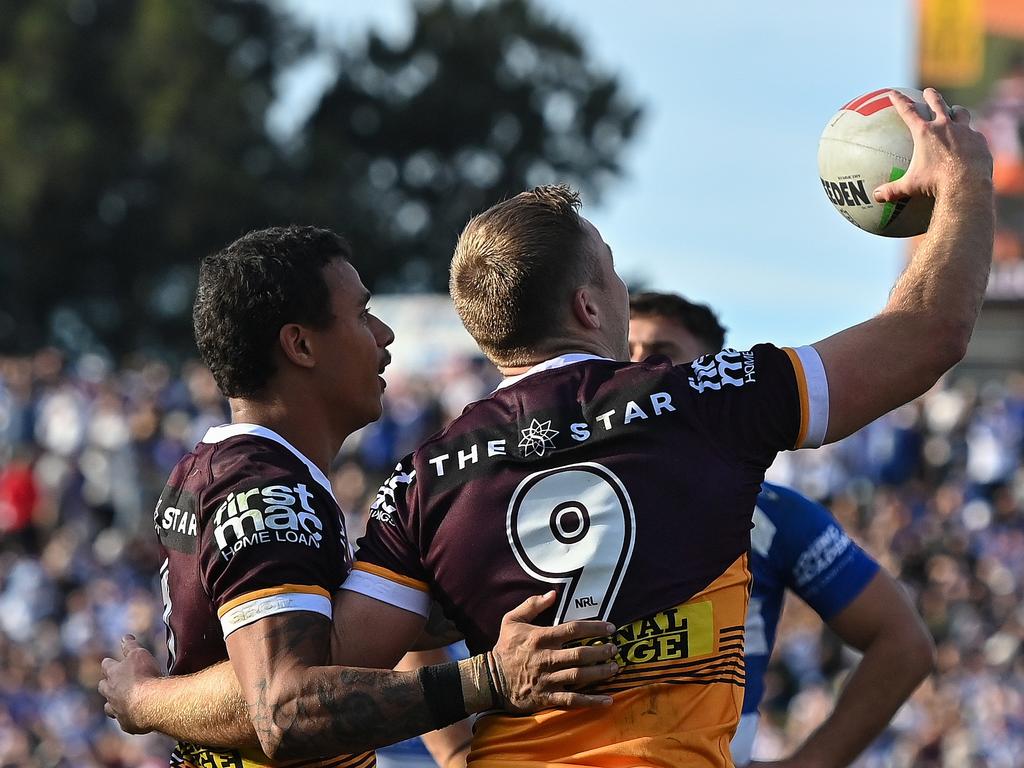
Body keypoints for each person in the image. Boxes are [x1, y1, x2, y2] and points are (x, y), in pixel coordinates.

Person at [101, 88, 993, 767]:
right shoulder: (708, 400)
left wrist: (154, 699)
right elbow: (929, 334)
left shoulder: (422, 482)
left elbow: (299, 695)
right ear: (586, 300)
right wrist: (962, 186)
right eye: (610, 272)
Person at [100, 225, 619, 768]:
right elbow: (283, 708)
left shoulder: (235, 471)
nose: (385, 334)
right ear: (300, 345)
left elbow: (329, 642)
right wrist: (489, 679)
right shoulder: (264, 491)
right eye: (362, 315)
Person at [628, 291, 936, 767]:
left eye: (661, 354)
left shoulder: (772, 515)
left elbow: (904, 644)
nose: (637, 369)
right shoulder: (543, 491)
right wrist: (464, 748)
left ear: (709, 375)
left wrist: (809, 762)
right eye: (622, 352)